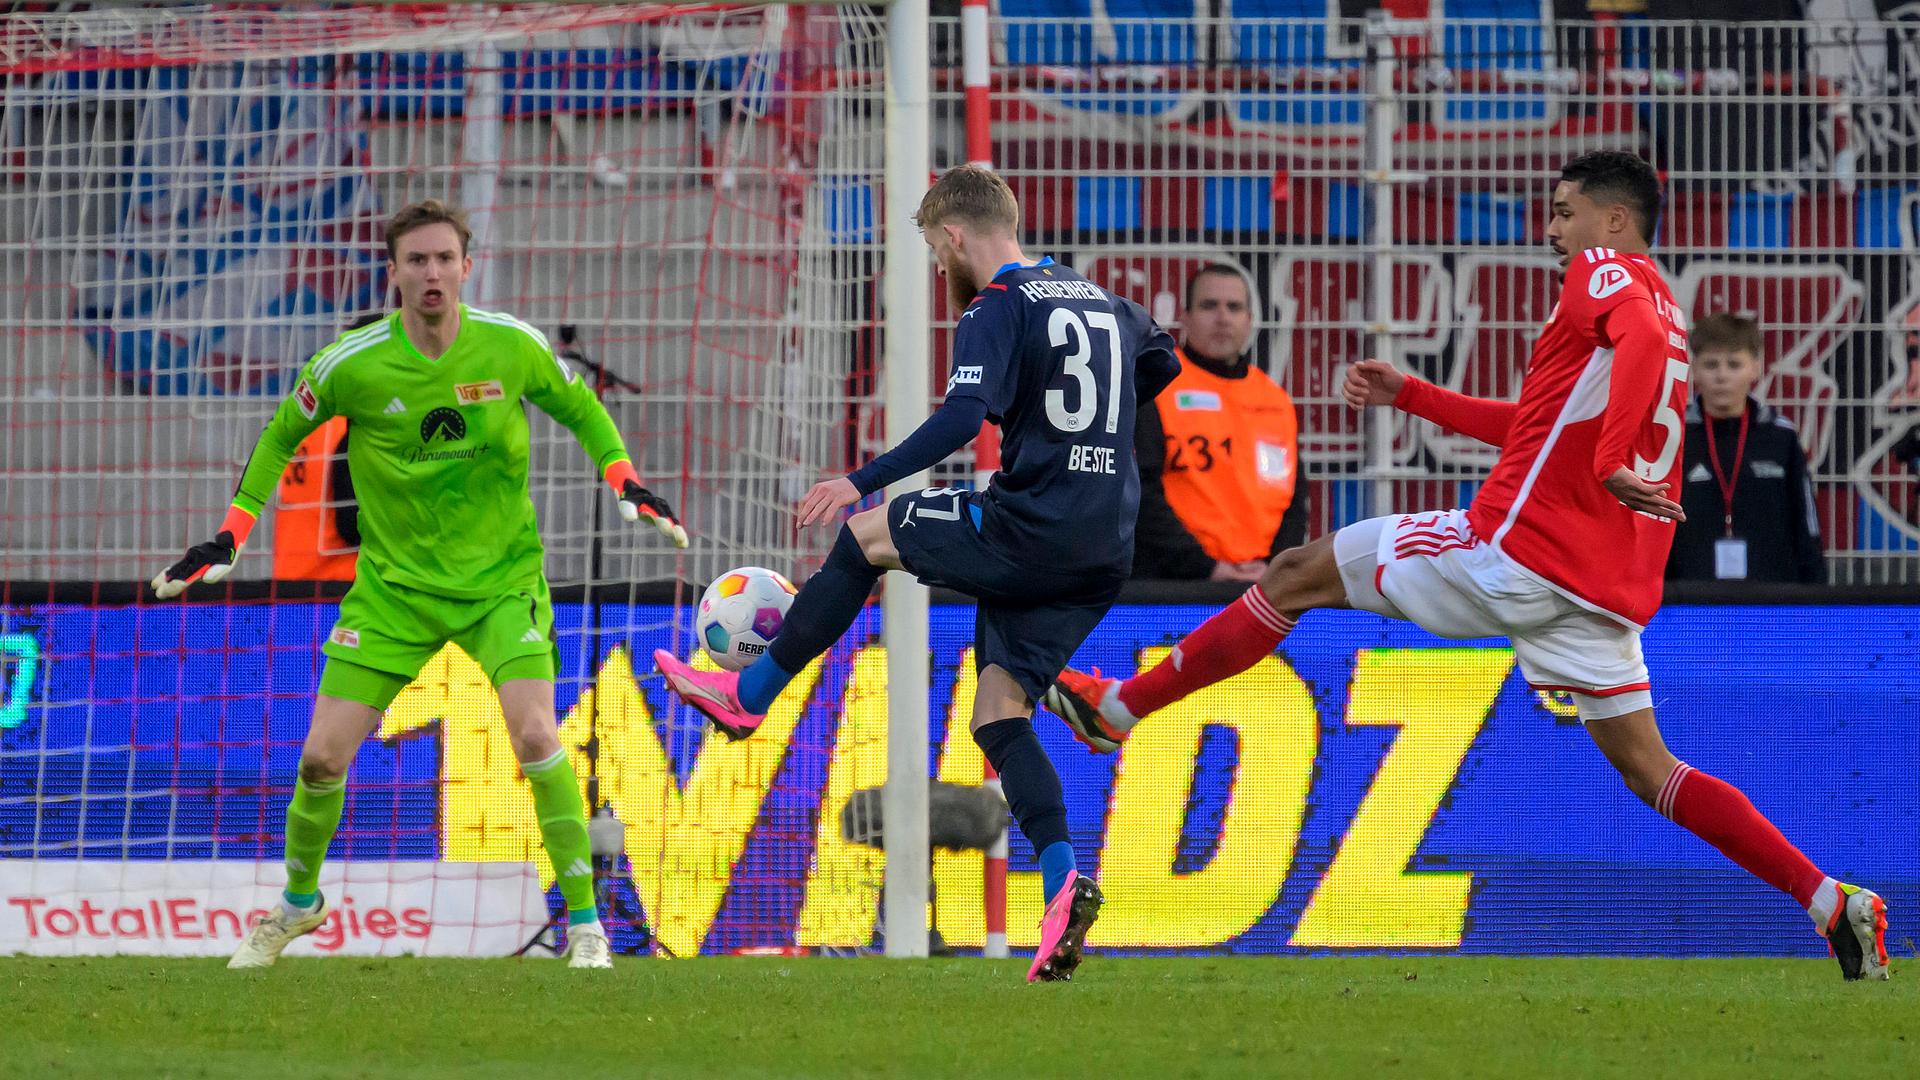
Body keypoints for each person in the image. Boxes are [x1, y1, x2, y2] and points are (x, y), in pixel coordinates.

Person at [1045, 151, 1889, 981]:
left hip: (1515, 555)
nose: (1553, 229)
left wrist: (1610, 458)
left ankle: (1116, 710)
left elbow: (1612, 375)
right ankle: (1830, 901)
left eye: (1565, 211)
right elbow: (1538, 428)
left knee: (1298, 570)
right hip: (1600, 594)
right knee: (1653, 771)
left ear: (1615, 220)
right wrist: (1414, 395)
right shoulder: (1669, 312)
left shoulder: (1609, 277)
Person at [653, 166, 1180, 982]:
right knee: (1000, 713)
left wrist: (857, 481)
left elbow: (962, 420)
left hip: (1031, 525)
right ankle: (1063, 877)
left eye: (938, 251)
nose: (940, 267)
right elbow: (1160, 368)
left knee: (868, 536)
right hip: (1105, 545)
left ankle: (745, 698)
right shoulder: (1104, 301)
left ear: (958, 234)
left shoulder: (996, 306)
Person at [150, 200, 689, 970]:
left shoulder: (510, 347)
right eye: (417, 261)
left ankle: (585, 928)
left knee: (538, 736)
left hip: (502, 584)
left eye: (444, 259)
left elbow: (582, 410)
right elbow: (280, 435)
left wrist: (626, 481)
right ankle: (299, 906)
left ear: (467, 267)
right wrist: (231, 532)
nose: (431, 273)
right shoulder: (354, 363)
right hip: (394, 590)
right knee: (320, 762)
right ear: (394, 272)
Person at [1132, 265, 1307, 582]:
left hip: (1260, 585)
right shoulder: (1158, 384)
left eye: (1234, 307)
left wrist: (1273, 569)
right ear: (1185, 317)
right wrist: (1207, 568)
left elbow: (1293, 501)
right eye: (1209, 305)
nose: (1223, 317)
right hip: (1178, 586)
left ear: (1249, 320)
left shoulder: (1275, 400)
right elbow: (1139, 492)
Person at [1666, 312, 1825, 584]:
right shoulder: (1675, 433)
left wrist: (1815, 591)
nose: (1722, 375)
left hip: (1772, 594)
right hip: (1689, 595)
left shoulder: (1780, 435)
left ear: (1756, 367)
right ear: (1694, 369)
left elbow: (1805, 520)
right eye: (1711, 364)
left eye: (1734, 364)